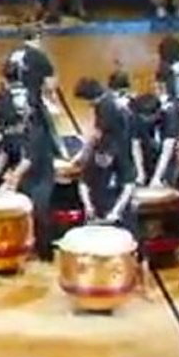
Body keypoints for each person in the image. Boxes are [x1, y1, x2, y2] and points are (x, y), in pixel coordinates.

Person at [73, 114, 149, 284]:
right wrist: (88, 205)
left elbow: (128, 188)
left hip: (119, 206)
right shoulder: (92, 162)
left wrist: (116, 211)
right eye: (100, 158)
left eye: (105, 158)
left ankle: (145, 284)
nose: (103, 161)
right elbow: (83, 184)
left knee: (138, 246)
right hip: (98, 204)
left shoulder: (122, 162)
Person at [0, 87, 58, 263]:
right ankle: (26, 246)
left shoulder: (37, 130)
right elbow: (6, 149)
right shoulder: (16, 127)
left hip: (41, 176)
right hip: (28, 176)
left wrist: (13, 177)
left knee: (39, 212)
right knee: (23, 214)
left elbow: (29, 159)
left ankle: (46, 253)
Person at [129, 93, 179, 187]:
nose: (144, 120)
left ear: (158, 112)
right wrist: (140, 172)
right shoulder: (137, 117)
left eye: (147, 117)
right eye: (142, 117)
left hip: (168, 158)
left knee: (163, 183)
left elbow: (167, 151)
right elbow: (135, 145)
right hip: (148, 154)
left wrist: (157, 177)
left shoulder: (171, 117)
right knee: (140, 180)